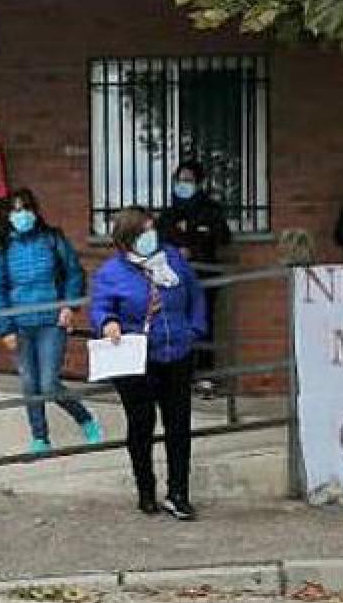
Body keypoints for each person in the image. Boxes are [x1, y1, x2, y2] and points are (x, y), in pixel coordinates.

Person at [90, 207, 207, 521]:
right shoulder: (112, 272)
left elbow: (195, 294)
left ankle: (179, 493)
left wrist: (194, 330)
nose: (151, 236)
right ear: (127, 239)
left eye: (152, 229)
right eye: (143, 231)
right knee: (141, 425)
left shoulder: (172, 259)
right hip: (137, 359)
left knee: (178, 425)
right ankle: (146, 489)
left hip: (177, 353)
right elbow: (100, 306)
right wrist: (108, 323)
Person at [0, 188, 103, 453]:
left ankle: (85, 418)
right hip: (19, 323)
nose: (22, 215)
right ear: (8, 215)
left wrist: (69, 307)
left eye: (26, 209)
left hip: (51, 321)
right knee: (30, 383)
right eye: (16, 210)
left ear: (36, 211)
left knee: (49, 383)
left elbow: (74, 272)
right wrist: (4, 328)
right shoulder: (2, 247)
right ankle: (40, 438)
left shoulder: (53, 239)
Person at [157, 161, 231, 399]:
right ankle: (180, 377)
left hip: (204, 277)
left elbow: (221, 237)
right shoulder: (169, 213)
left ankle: (205, 376)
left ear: (199, 183)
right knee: (177, 325)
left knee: (203, 324)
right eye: (180, 180)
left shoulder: (211, 210)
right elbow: (161, 239)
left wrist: (194, 245)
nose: (183, 185)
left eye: (188, 180)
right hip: (174, 280)